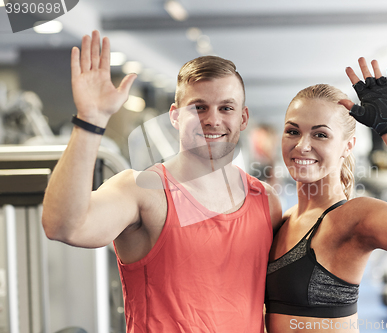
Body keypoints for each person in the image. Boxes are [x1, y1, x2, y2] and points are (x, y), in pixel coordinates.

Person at [42, 30, 282, 333]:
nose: (213, 119)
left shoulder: (266, 201)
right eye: (198, 107)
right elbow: (63, 225)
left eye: (226, 108)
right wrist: (91, 119)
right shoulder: (141, 191)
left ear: (243, 118)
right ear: (175, 116)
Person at [265, 58, 387, 333]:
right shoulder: (284, 219)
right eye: (293, 131)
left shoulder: (350, 218)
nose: (302, 145)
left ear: (347, 146)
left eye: (320, 135)